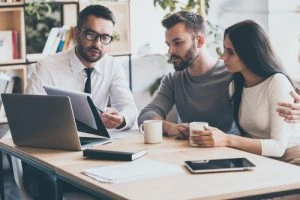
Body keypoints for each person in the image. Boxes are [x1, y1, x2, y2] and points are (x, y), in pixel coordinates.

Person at [23, 5, 138, 199]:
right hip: (49, 155)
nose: (98, 44)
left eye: (105, 37)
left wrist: (122, 118)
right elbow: (27, 118)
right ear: (77, 33)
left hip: (92, 155)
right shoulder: (47, 67)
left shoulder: (112, 66)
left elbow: (129, 108)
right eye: (91, 34)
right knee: (50, 186)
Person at [190, 20, 300, 164]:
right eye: (224, 49)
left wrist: (227, 139)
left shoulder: (277, 83)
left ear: (250, 53)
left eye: (231, 52)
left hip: (290, 158)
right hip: (259, 158)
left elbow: (278, 147)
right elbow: (246, 136)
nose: (223, 57)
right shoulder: (235, 86)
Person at [138, 11, 237, 139]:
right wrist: (167, 126)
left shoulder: (231, 74)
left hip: (228, 155)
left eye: (177, 43)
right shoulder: (173, 79)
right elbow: (146, 114)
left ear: (200, 41)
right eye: (168, 44)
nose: (170, 51)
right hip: (185, 154)